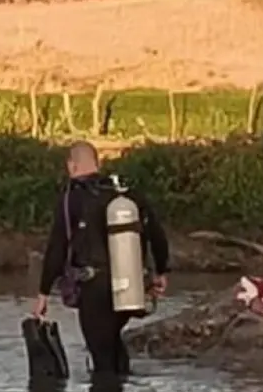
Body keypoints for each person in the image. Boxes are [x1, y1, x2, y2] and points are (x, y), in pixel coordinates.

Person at [32, 141, 170, 376]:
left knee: (102, 358)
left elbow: (58, 247)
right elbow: (156, 233)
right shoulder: (125, 193)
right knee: (114, 342)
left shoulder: (72, 198)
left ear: (71, 166)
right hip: (131, 287)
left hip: (95, 289)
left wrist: (43, 293)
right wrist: (161, 271)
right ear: (98, 163)